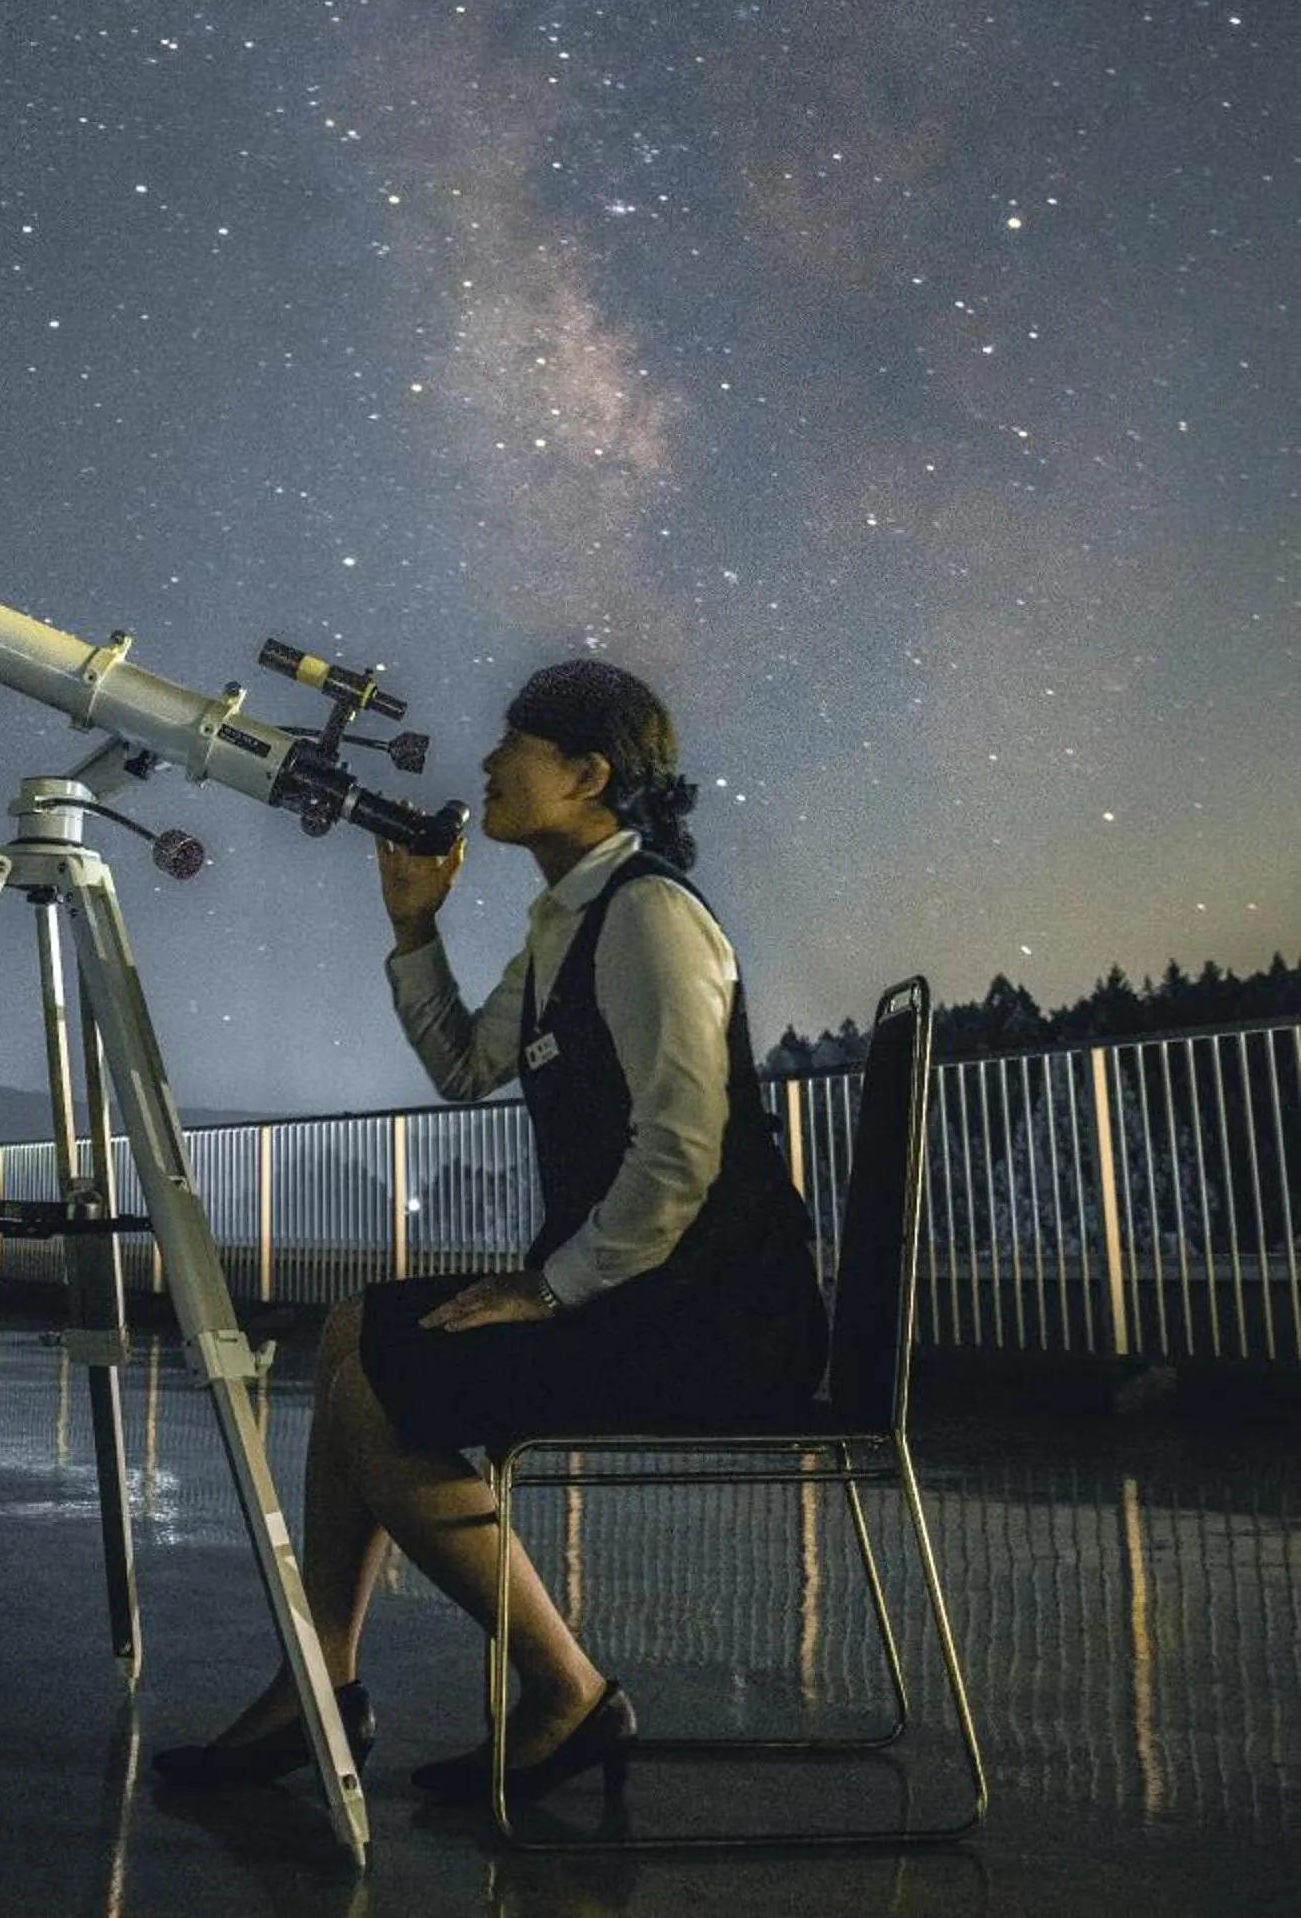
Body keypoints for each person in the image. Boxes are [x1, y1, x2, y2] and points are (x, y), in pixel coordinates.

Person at [154, 659, 829, 1805]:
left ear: (587, 772)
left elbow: (683, 1152)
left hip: (715, 1322)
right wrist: (413, 927)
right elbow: (467, 1067)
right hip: (645, 1298)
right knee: (358, 1328)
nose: (486, 761)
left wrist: (551, 1289)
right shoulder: (568, 921)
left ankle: (563, 1690)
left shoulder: (649, 916)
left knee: (382, 1376)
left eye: (515, 741)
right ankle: (321, 1675)